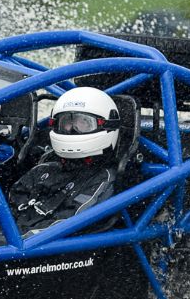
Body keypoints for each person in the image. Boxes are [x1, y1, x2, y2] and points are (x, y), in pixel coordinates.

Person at [7, 86, 120, 234]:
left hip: (40, 247)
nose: (72, 129)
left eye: (83, 123)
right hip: (12, 235)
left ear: (105, 125)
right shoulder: (46, 167)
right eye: (67, 122)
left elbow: (68, 223)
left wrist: (15, 238)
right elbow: (12, 199)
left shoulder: (102, 179)